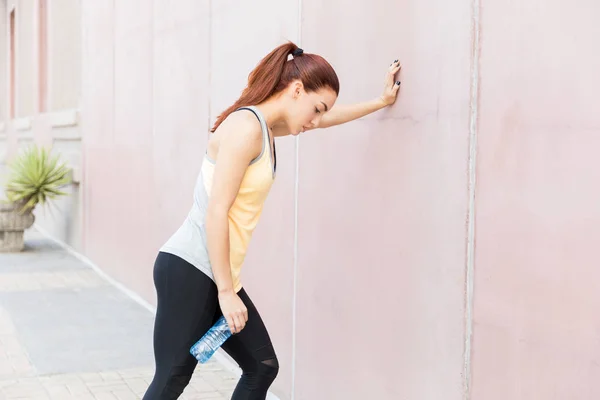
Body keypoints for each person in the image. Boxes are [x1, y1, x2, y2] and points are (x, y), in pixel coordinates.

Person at [143, 41, 402, 399]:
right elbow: (217, 211)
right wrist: (226, 291)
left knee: (261, 366)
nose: (314, 120)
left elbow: (325, 120)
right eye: (315, 108)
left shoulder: (264, 129)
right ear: (297, 89)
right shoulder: (246, 128)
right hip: (192, 270)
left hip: (214, 273)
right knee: (171, 379)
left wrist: (381, 101)